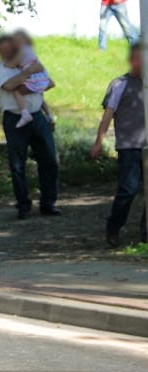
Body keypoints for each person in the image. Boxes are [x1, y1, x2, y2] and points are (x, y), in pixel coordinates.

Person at [0, 35, 61, 220]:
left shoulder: (27, 63)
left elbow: (49, 83)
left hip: (37, 115)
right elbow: (9, 85)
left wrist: (28, 83)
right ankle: (24, 205)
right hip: (14, 119)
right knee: (17, 164)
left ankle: (49, 202)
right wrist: (29, 75)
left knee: (49, 159)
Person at [91, 43, 148, 247]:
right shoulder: (119, 84)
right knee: (129, 189)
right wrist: (99, 140)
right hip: (129, 146)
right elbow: (108, 115)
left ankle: (145, 233)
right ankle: (114, 227)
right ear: (134, 60)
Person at [9, 30, 53, 128]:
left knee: (17, 91)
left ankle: (25, 113)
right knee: (40, 97)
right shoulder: (30, 50)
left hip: (34, 80)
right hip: (42, 79)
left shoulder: (21, 51)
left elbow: (13, 64)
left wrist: (7, 63)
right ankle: (50, 115)